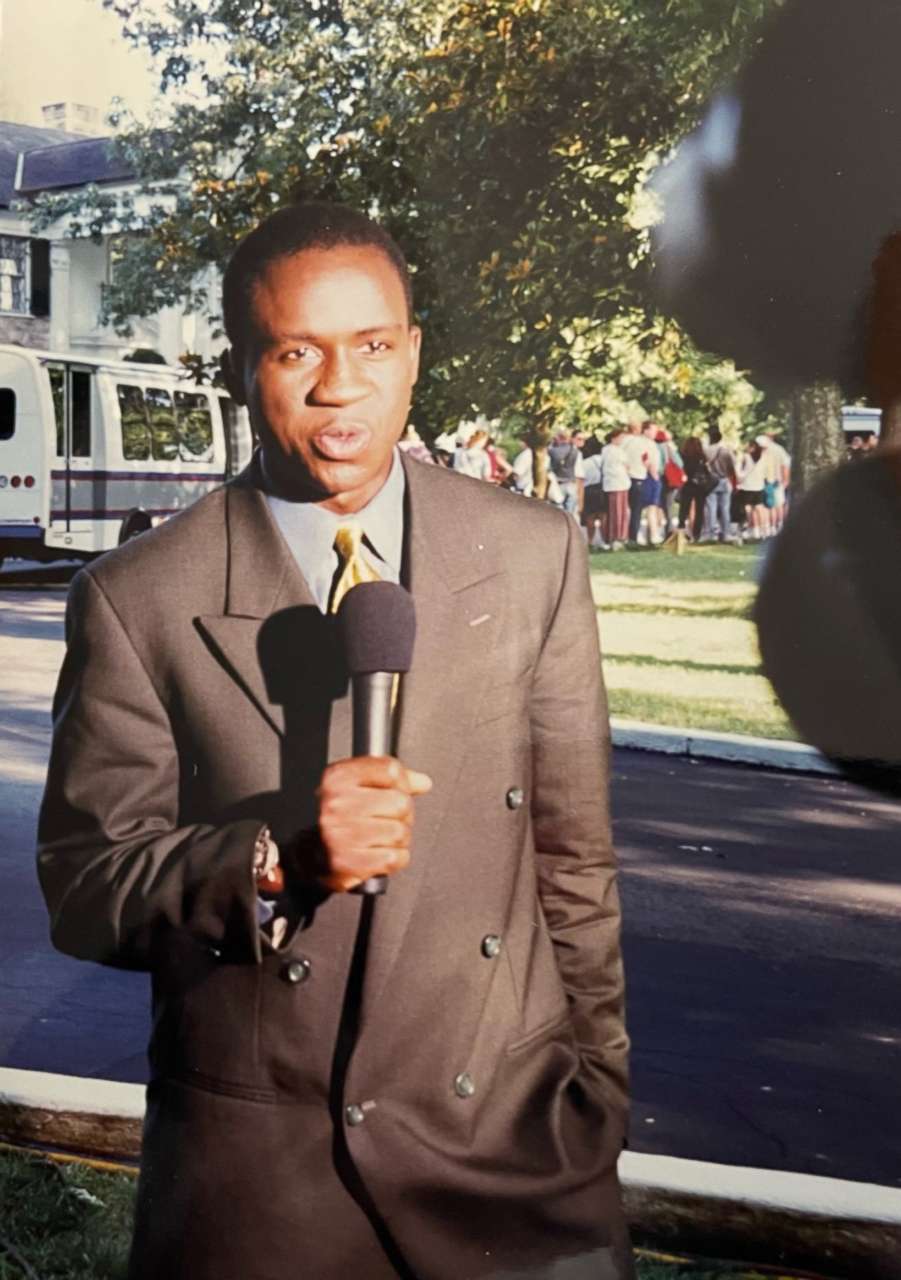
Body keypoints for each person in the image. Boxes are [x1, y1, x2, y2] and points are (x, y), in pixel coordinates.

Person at [36, 202, 632, 1280]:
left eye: (369, 345)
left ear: (412, 355)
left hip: (517, 1159)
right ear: (240, 368)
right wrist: (272, 859)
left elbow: (573, 860)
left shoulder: (533, 553)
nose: (338, 385)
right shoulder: (138, 598)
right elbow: (83, 886)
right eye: (296, 349)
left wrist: (595, 1095)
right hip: (266, 1189)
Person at [703, 426, 737, 543]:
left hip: (711, 481)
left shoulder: (706, 451)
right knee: (725, 508)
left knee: (711, 507)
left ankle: (710, 534)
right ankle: (726, 533)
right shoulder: (726, 451)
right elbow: (732, 467)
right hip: (724, 480)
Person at [599, 428, 631, 548]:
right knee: (616, 512)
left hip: (617, 483)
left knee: (618, 511)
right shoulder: (612, 451)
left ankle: (617, 535)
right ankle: (616, 536)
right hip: (616, 483)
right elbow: (625, 465)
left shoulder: (613, 450)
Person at [547, 428, 585, 517]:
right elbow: (579, 475)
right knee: (569, 515)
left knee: (557, 515)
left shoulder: (552, 451)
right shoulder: (575, 452)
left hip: (558, 485)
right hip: (571, 484)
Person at [621, 421, 649, 544]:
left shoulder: (622, 441)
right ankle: (633, 537)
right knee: (636, 510)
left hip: (623, 478)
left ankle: (622, 535)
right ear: (638, 429)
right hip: (638, 476)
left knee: (624, 509)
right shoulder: (641, 442)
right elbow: (646, 459)